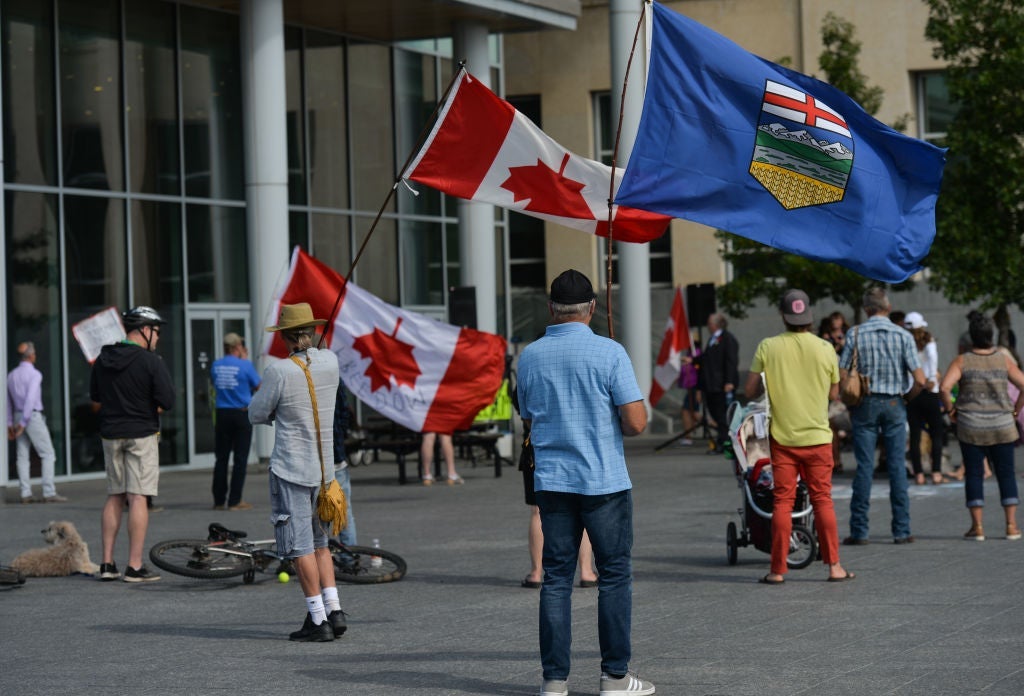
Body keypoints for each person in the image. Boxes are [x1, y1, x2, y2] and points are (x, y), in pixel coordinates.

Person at [517, 269, 653, 696]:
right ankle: (614, 677)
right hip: (603, 480)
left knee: (556, 579)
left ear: (551, 308)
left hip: (553, 480)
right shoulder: (610, 352)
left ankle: (554, 681)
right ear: (593, 308)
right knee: (613, 577)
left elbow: (528, 416)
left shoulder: (530, 356)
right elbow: (636, 424)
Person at [249, 303, 347, 642]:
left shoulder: (280, 371)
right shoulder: (330, 361)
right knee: (321, 543)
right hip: (324, 470)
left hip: (291, 468)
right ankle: (335, 611)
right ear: (313, 331)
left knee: (300, 546)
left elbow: (257, 413)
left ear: (287, 338)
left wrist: (277, 411)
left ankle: (317, 620)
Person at [744, 290, 853, 585]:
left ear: (783, 315)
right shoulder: (826, 348)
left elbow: (749, 389)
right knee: (822, 500)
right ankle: (834, 567)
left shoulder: (768, 346)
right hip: (818, 437)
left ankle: (778, 570)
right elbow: (834, 393)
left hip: (784, 439)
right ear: (810, 317)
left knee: (782, 502)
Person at [91, 306, 175, 582]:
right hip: (141, 435)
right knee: (138, 496)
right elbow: (168, 401)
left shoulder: (103, 358)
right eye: (156, 331)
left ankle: (106, 564)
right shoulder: (151, 362)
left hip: (111, 434)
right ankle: (134, 566)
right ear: (143, 330)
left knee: (115, 495)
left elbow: (96, 396)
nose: (158, 337)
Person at [839, 288, 925, 546]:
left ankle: (859, 530)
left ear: (866, 309)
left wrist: (849, 399)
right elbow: (920, 380)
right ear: (888, 307)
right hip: (894, 401)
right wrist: (906, 398)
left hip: (865, 402)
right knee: (897, 465)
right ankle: (901, 529)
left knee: (864, 466)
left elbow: (843, 374)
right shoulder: (903, 335)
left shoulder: (855, 333)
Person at [939, 313, 1024, 542]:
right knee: (1006, 474)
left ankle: (977, 527)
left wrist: (951, 411)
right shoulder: (1003, 360)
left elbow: (945, 388)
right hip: (1003, 425)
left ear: (971, 337)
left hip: (971, 425)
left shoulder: (962, 360)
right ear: (991, 335)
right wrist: (1015, 410)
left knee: (974, 475)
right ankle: (1011, 526)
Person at [7, 341, 67, 503]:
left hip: (18, 416)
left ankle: (25, 493)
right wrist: (24, 422)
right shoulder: (35, 374)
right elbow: (30, 400)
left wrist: (10, 423)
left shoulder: (11, 375)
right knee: (48, 453)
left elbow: (8, 402)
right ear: (32, 355)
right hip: (30, 417)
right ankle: (49, 492)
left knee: (22, 456)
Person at [210, 332, 261, 510]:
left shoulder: (216, 365)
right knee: (240, 459)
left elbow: (215, 383)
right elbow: (259, 386)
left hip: (222, 413)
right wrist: (245, 360)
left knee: (221, 459)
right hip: (241, 414)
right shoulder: (245, 365)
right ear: (237, 347)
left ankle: (218, 500)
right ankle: (235, 500)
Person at [903, 313, 947, 485]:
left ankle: (919, 474)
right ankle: (936, 472)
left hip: (912, 391)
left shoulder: (905, 342)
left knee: (915, 434)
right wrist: (931, 378)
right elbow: (933, 361)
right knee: (937, 432)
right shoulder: (929, 341)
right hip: (930, 389)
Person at [698, 312, 739, 455]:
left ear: (716, 324)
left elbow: (731, 361)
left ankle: (723, 443)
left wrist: (729, 381)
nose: (708, 326)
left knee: (722, 415)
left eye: (710, 323)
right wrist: (694, 361)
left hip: (721, 384)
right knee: (716, 414)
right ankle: (723, 440)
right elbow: (707, 359)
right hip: (711, 384)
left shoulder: (727, 339)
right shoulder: (713, 339)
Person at [333, 377, 357, 546]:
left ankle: (310, 561)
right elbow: (344, 412)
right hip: (335, 454)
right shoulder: (333, 374)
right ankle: (350, 558)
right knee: (343, 511)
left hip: (306, 459)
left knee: (307, 518)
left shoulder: (293, 373)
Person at [676, 335, 701, 446]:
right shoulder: (690, 354)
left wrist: (699, 391)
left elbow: (699, 373)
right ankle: (688, 435)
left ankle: (688, 436)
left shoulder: (697, 354)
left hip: (695, 388)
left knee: (689, 412)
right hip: (691, 388)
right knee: (692, 413)